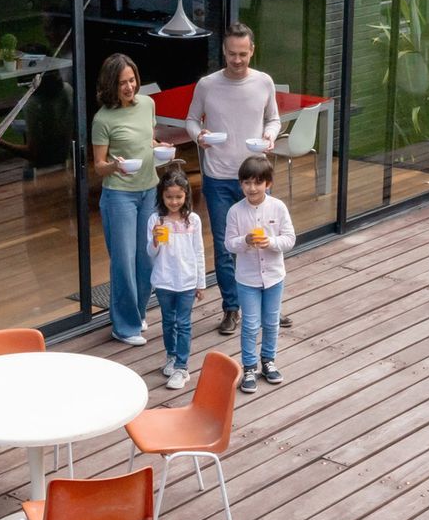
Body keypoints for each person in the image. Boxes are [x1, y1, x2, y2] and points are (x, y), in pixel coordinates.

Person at [186, 23, 287, 337]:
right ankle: (231, 307)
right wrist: (197, 136)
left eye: (243, 54)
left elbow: (273, 118)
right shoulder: (207, 85)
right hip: (218, 178)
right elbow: (191, 119)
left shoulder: (264, 82)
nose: (238, 60)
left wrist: (270, 136)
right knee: (225, 246)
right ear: (224, 51)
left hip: (255, 177)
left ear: (252, 51)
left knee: (262, 242)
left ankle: (265, 305)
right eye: (232, 54)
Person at [90, 53, 174, 346]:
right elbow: (98, 165)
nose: (128, 87)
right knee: (123, 262)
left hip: (148, 190)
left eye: (132, 80)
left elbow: (146, 141)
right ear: (110, 85)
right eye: (122, 82)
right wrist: (115, 166)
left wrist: (159, 147)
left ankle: (136, 315)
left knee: (146, 257)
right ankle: (123, 327)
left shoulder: (148, 104)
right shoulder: (102, 119)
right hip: (120, 197)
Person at [221, 154, 295, 394]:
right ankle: (249, 366)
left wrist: (270, 242)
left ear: (268, 183)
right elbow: (229, 244)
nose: (251, 188)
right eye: (246, 183)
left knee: (271, 321)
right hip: (247, 279)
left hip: (274, 276)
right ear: (240, 184)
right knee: (250, 324)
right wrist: (245, 240)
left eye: (257, 183)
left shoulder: (278, 207)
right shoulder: (235, 211)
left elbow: (290, 239)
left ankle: (269, 360)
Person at [148, 168, 203, 390]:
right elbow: (150, 253)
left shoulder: (193, 221)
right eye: (169, 197)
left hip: (187, 280)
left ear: (186, 195)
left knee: (184, 323)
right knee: (168, 321)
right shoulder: (156, 219)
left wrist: (201, 283)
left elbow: (199, 251)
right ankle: (171, 356)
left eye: (178, 197)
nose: (174, 201)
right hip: (164, 280)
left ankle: (182, 366)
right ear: (162, 195)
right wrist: (155, 239)